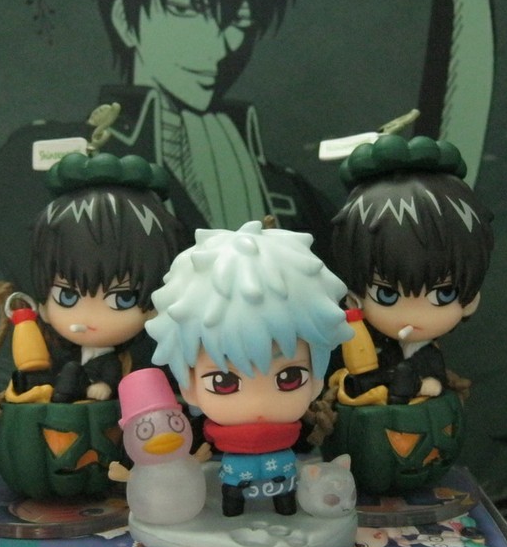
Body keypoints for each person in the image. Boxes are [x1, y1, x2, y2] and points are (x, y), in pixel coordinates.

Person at [0, 0, 335, 293]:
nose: (218, 47)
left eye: (238, 22)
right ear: (125, 19)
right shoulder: (40, 162)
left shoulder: (289, 190)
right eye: (187, 11)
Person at [145, 221, 353, 516]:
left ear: (316, 381)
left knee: (285, 497)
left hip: (282, 468)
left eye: (290, 377)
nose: (257, 403)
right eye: (223, 382)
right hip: (233, 471)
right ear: (189, 387)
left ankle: (282, 508)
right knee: (232, 499)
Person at [330, 135, 494, 403]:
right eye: (387, 295)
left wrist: (421, 385)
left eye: (443, 294)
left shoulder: (428, 357)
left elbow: (432, 384)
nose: (413, 316)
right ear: (353, 297)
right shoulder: (369, 345)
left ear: (470, 301)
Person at [11, 152, 182, 403]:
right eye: (67, 296)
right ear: (44, 305)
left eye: (122, 298)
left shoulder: (145, 361)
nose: (90, 318)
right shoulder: (55, 351)